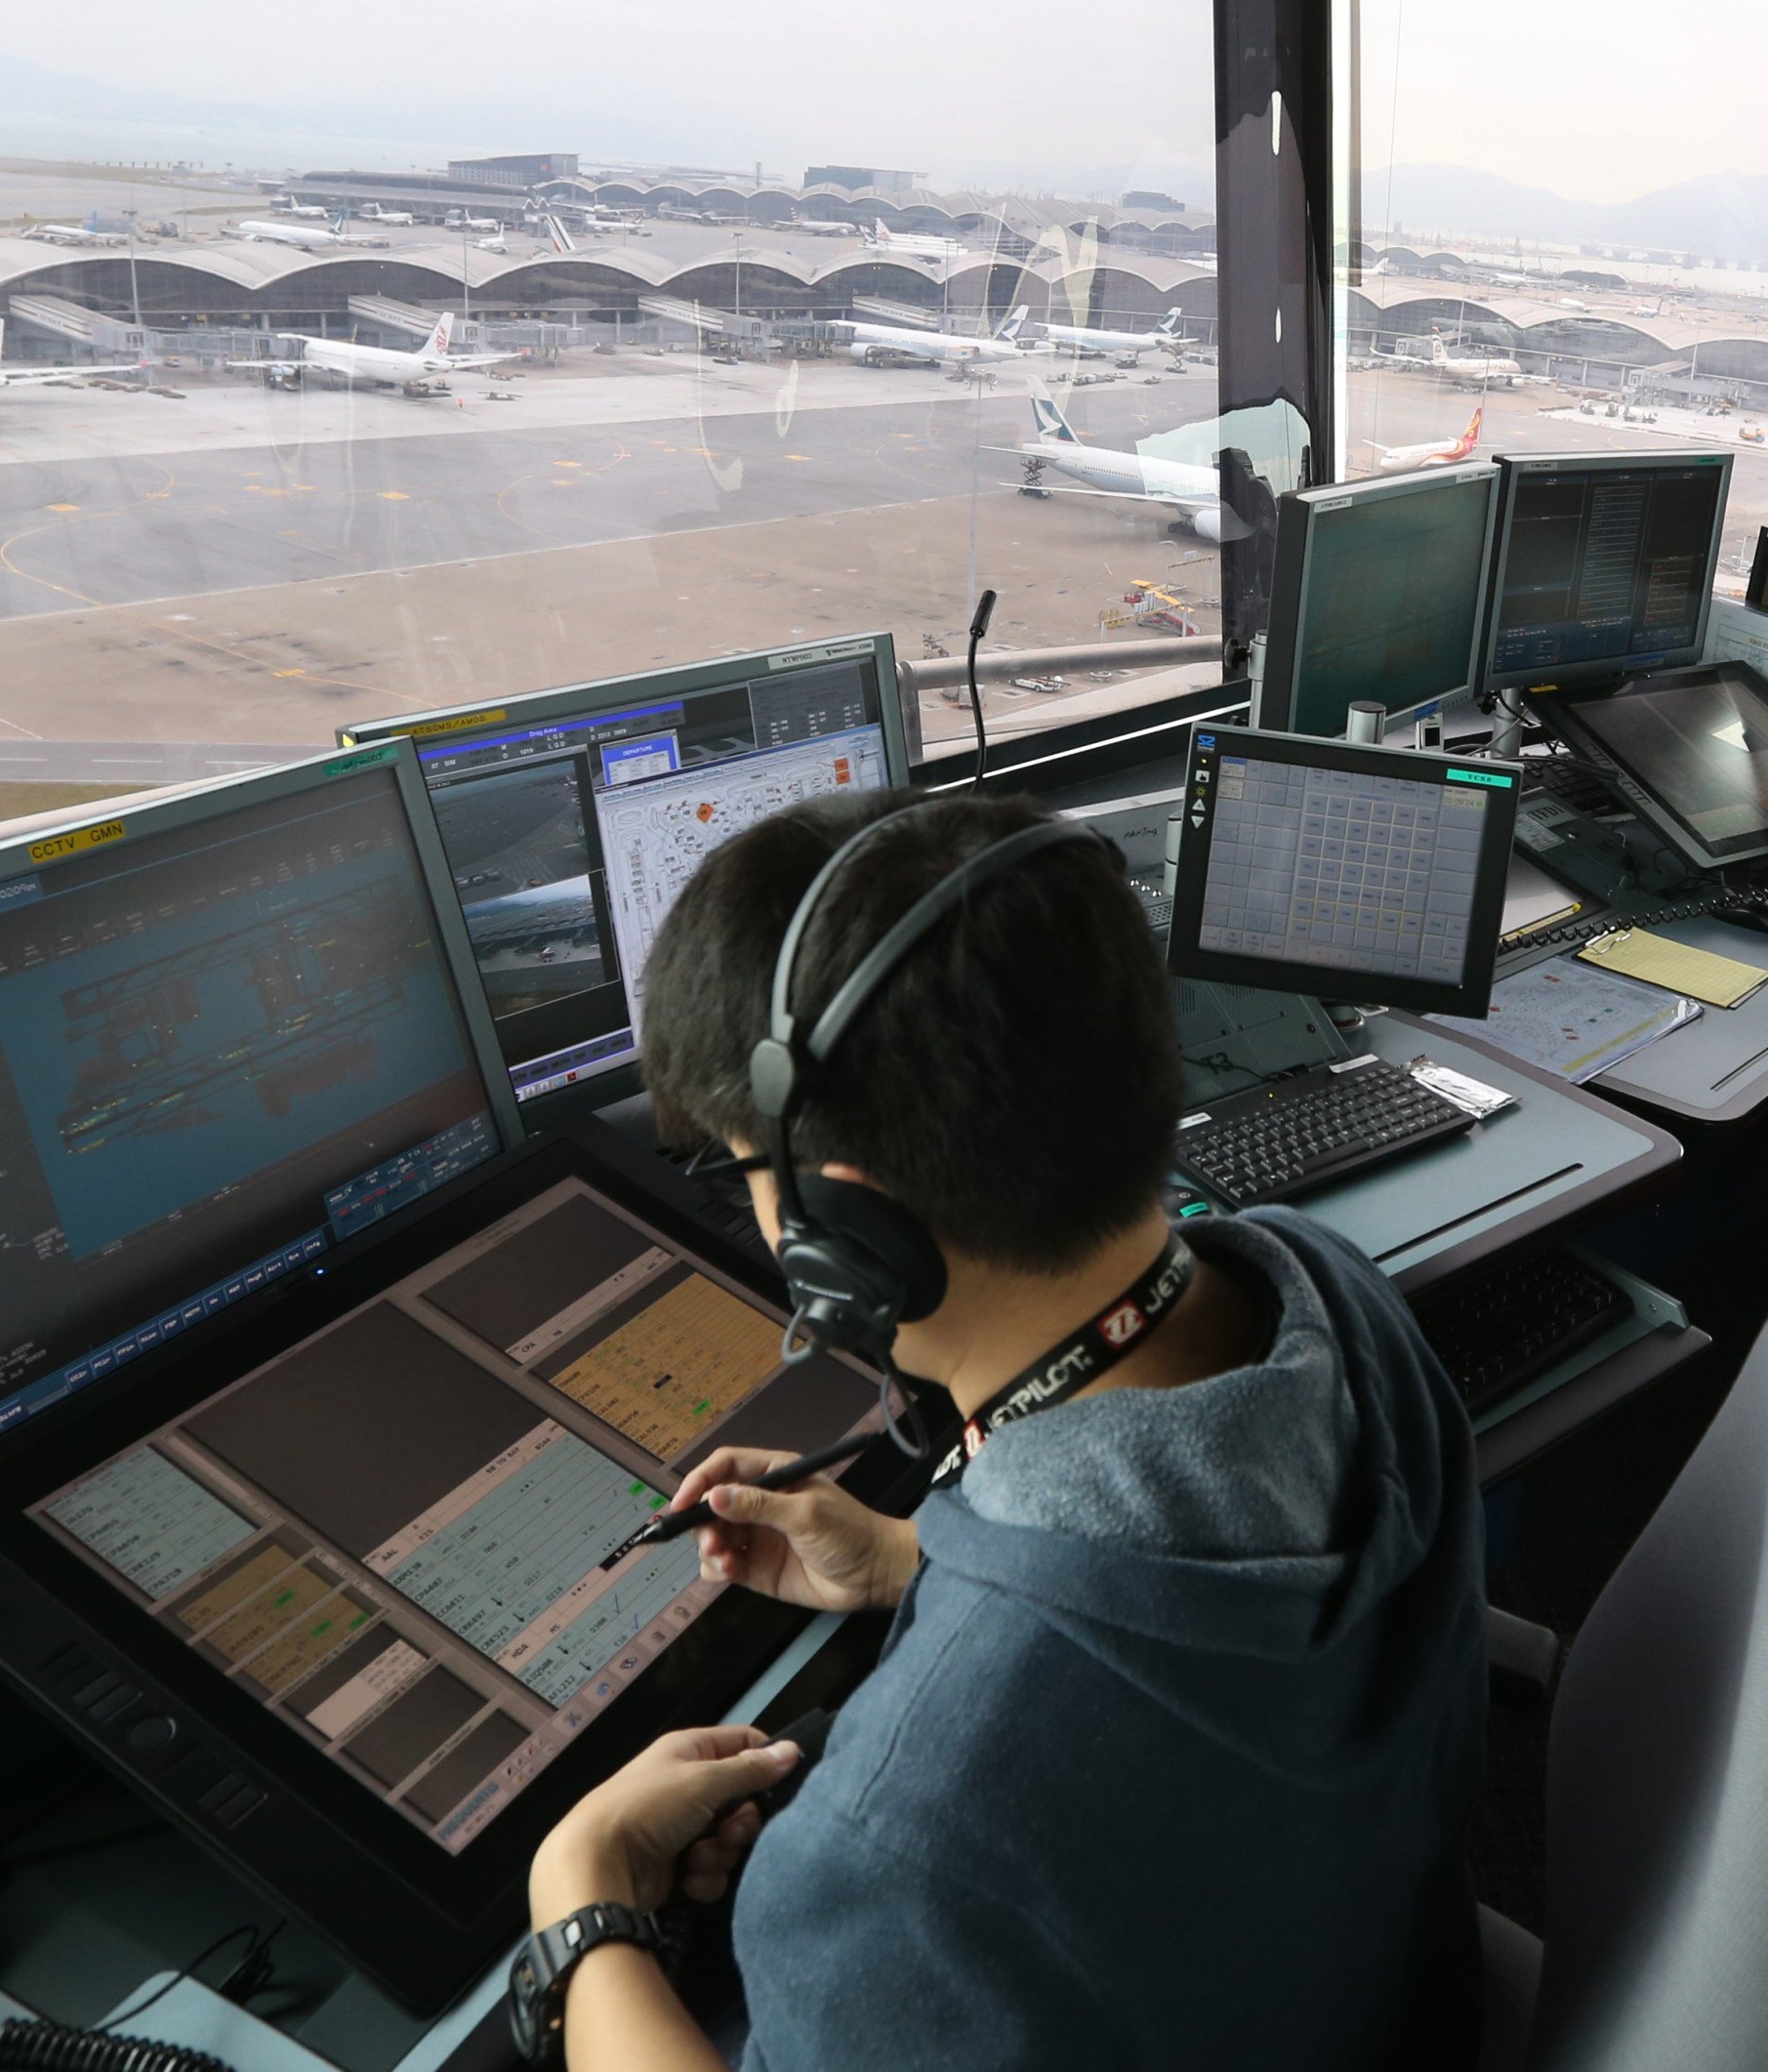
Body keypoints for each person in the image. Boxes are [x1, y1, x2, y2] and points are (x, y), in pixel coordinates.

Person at [517, 790, 1485, 2072]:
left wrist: (583, 1909)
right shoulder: (1326, 1288)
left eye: (742, 1166)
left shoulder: (899, 1838)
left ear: (842, 1233)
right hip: (1367, 1985)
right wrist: (918, 1564)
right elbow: (1209, 1625)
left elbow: (994, 1777)